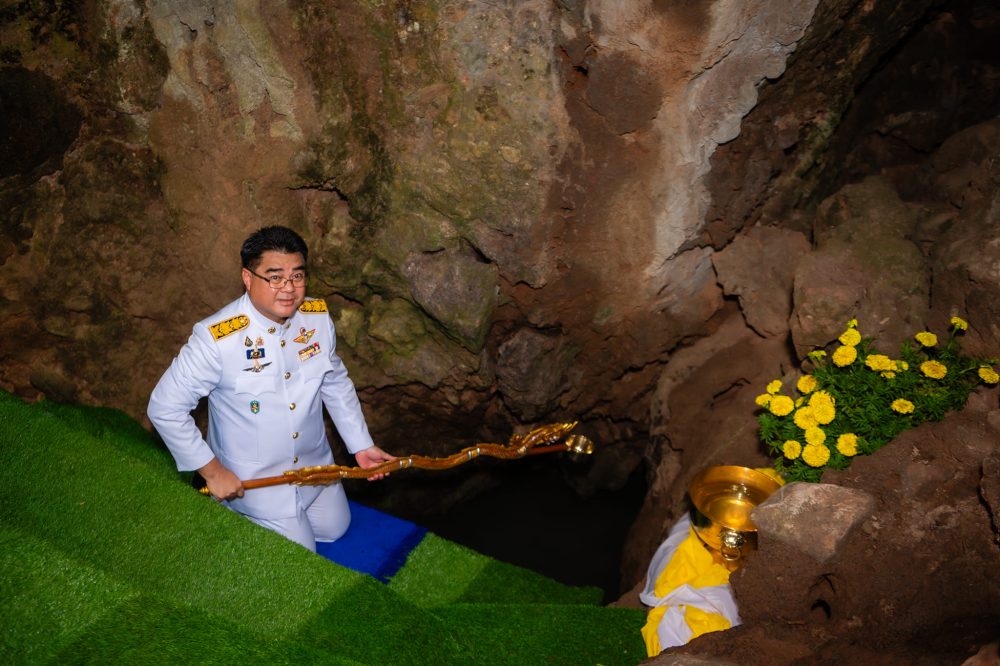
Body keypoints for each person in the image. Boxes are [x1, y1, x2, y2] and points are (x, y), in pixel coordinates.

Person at [148, 225, 394, 551]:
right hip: (255, 480)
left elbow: (334, 382)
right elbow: (164, 407)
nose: (288, 288)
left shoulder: (317, 317)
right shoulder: (217, 338)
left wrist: (360, 445)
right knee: (301, 553)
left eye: (297, 276)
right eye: (275, 277)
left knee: (335, 528)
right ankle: (230, 505)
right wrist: (213, 471)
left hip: (314, 465)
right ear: (248, 278)